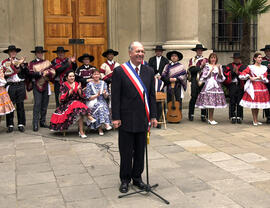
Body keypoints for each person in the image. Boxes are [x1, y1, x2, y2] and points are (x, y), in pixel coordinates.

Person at [111, 41, 157, 193]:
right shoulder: (120, 71)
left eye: (142, 51)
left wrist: (153, 116)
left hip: (143, 119)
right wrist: (116, 117)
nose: (140, 54)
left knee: (139, 151)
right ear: (130, 53)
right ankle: (125, 179)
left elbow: (151, 96)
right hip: (126, 119)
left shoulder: (149, 71)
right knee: (126, 151)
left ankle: (137, 178)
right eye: (137, 51)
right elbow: (115, 96)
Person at [49, 71, 96, 138]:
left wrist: (79, 90)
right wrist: (70, 91)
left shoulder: (77, 84)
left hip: (77, 105)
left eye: (73, 76)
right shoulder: (63, 85)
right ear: (66, 78)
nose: (72, 78)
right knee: (75, 103)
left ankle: (81, 131)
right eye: (70, 76)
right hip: (66, 104)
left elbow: (83, 96)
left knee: (79, 110)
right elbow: (62, 98)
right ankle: (89, 116)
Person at [1, 45, 29, 133]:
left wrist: (23, 66)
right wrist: (13, 66)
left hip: (20, 85)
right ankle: (10, 124)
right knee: (10, 105)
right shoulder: (4, 63)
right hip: (11, 85)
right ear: (8, 53)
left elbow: (26, 73)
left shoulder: (20, 61)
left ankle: (21, 124)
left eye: (14, 51)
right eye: (11, 51)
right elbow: (4, 74)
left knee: (20, 105)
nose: (13, 53)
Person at [28, 46, 55, 131]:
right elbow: (30, 74)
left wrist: (48, 72)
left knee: (44, 104)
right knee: (37, 104)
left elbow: (53, 72)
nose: (40, 54)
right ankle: (35, 123)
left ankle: (42, 122)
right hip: (37, 85)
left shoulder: (47, 62)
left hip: (46, 85)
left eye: (41, 53)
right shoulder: (31, 63)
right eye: (38, 53)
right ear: (35, 54)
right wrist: (40, 73)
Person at [195, 53, 227, 125]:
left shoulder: (219, 66)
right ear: (209, 59)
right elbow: (204, 76)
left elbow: (221, 77)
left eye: (214, 58)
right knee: (209, 101)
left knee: (213, 102)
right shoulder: (207, 66)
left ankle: (211, 118)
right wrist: (210, 71)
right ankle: (210, 118)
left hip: (216, 84)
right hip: (209, 84)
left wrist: (219, 70)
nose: (213, 59)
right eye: (212, 58)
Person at [239, 52, 270, 125]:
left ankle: (256, 119)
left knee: (258, 104)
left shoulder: (264, 67)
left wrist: (260, 77)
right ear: (255, 58)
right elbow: (242, 74)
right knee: (254, 104)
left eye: (261, 57)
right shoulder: (251, 67)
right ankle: (254, 119)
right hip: (254, 86)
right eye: (259, 57)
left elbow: (265, 77)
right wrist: (250, 77)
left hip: (261, 86)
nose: (260, 59)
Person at [85, 69, 112, 136]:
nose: (96, 76)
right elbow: (88, 97)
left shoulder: (103, 83)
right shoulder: (89, 84)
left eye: (97, 74)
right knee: (100, 106)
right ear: (92, 76)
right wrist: (97, 95)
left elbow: (106, 97)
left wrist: (105, 93)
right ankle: (106, 124)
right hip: (92, 102)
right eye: (94, 74)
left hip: (102, 101)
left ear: (100, 75)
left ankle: (101, 128)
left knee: (101, 106)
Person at [223, 53, 246, 124]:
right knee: (232, 101)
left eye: (238, 58)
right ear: (233, 59)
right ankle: (232, 116)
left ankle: (239, 116)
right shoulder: (229, 66)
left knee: (240, 101)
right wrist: (233, 72)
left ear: (240, 59)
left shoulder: (243, 66)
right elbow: (226, 74)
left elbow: (245, 75)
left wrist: (238, 72)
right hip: (232, 85)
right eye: (235, 58)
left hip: (240, 85)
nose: (237, 60)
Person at [187, 44, 208, 122]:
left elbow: (207, 70)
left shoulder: (206, 59)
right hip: (194, 80)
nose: (199, 51)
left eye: (201, 50)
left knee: (203, 98)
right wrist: (200, 67)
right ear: (196, 51)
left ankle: (203, 115)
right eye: (198, 50)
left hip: (203, 81)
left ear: (202, 51)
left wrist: (199, 68)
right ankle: (191, 114)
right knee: (193, 97)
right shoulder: (192, 60)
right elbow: (191, 70)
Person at [260, 45, 270, 123]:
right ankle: (268, 116)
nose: (268, 52)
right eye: (266, 51)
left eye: (269, 51)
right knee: (266, 99)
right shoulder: (261, 60)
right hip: (265, 82)